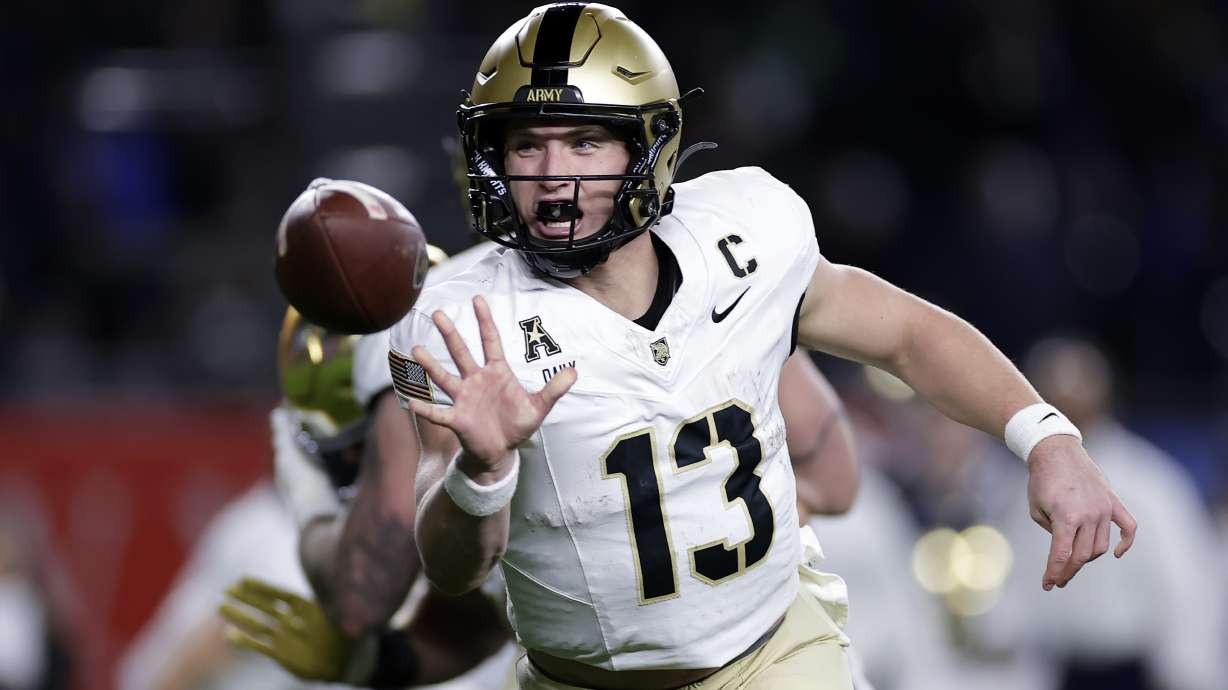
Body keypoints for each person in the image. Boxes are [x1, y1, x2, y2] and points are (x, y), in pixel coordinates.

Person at [387, 4, 1135, 689]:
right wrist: (480, 475)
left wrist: (1047, 440)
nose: (553, 179)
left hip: (778, 655)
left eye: (584, 142)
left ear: (651, 146)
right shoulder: (460, 319)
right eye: (528, 146)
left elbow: (907, 335)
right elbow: (452, 568)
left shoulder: (746, 231)